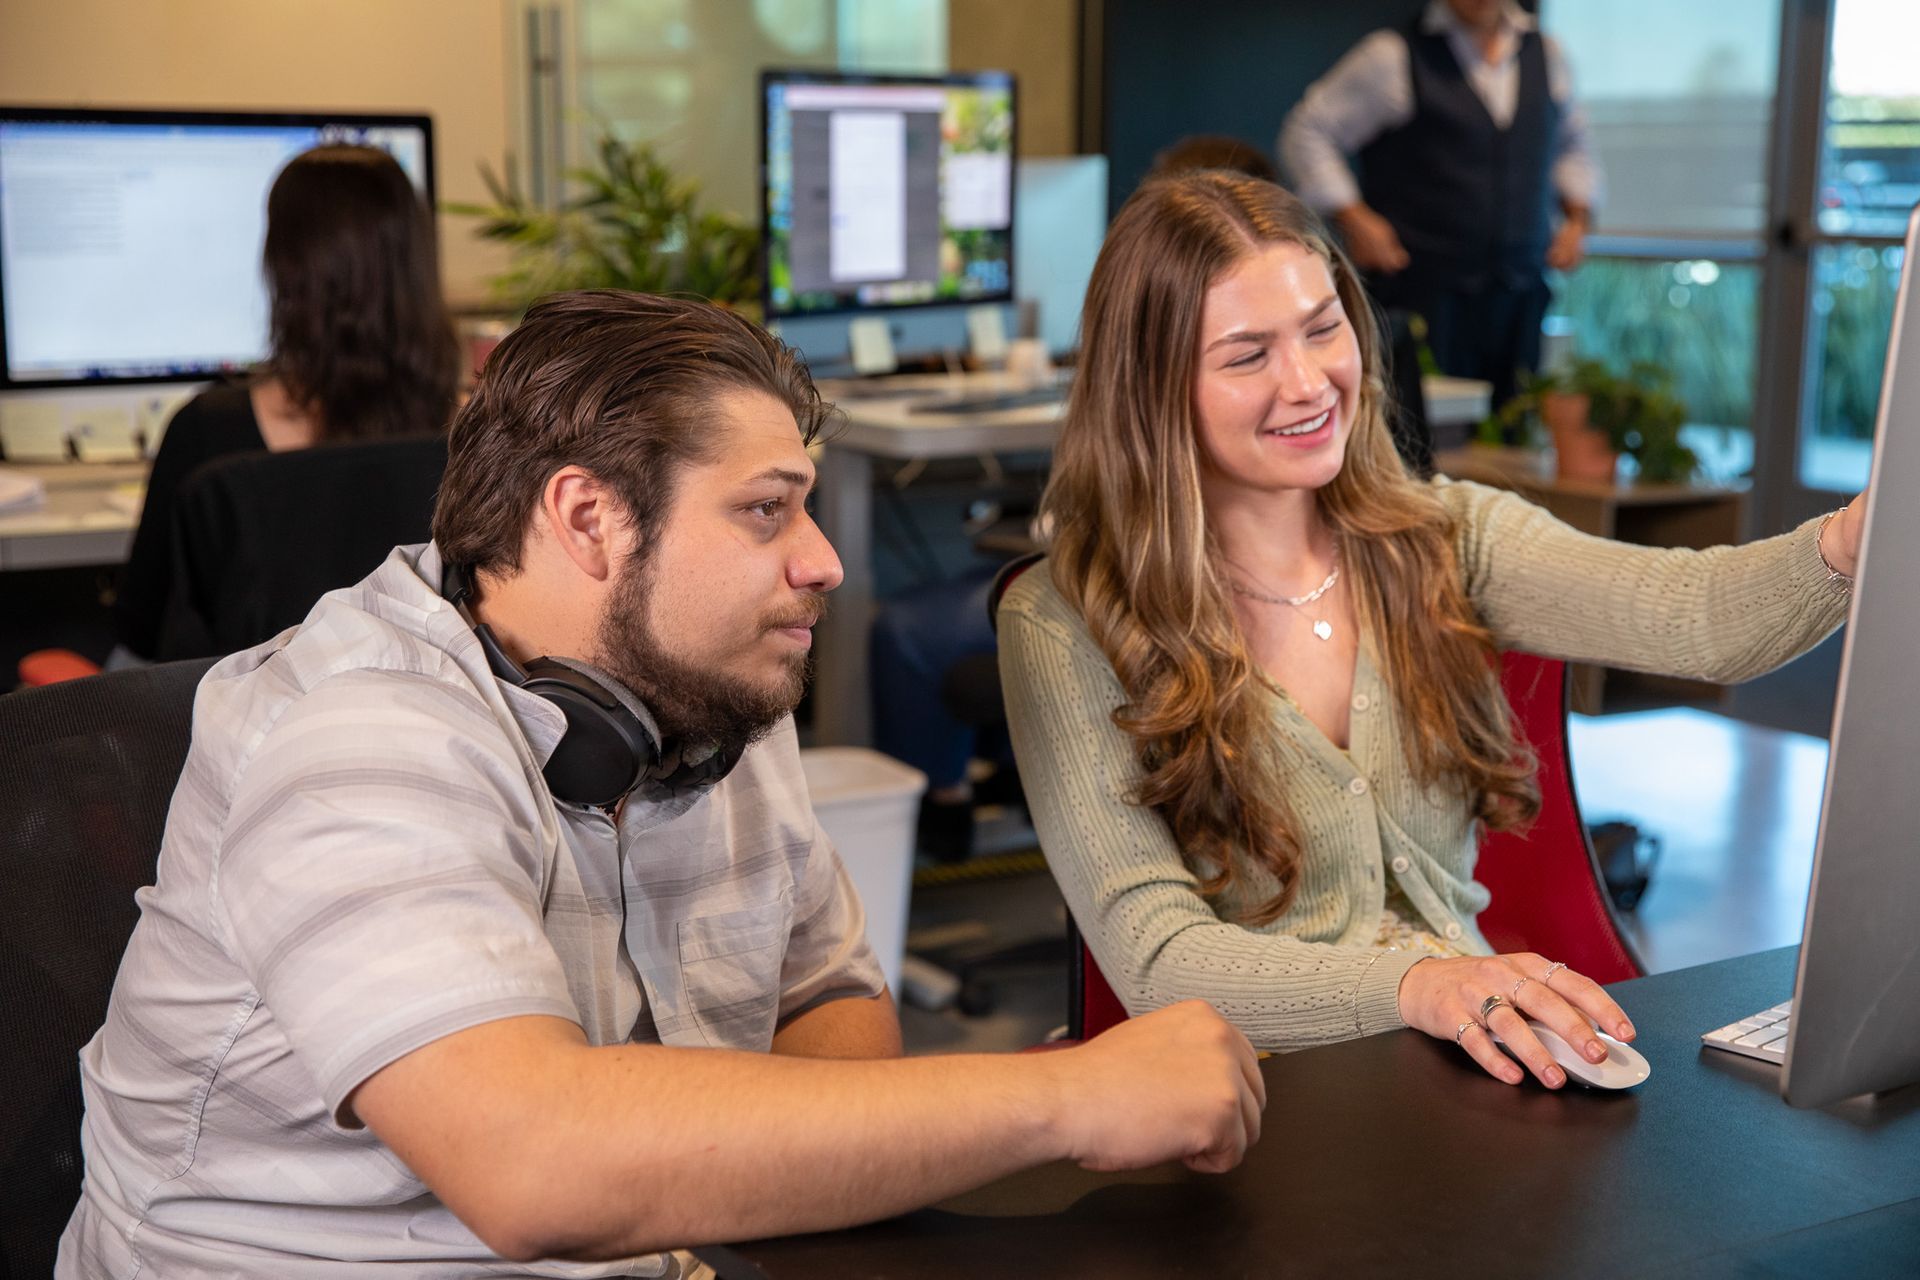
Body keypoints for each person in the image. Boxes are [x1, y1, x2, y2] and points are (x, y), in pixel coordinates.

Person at [59, 290, 1264, 1278]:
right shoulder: (356, 739)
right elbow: (533, 1166)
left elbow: (830, 1009)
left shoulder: (712, 685)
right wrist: (1059, 1097)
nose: (826, 559)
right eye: (764, 512)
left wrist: (784, 1143)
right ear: (588, 517)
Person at [997, 171, 1863, 1092]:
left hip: (1470, 1069)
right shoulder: (1064, 621)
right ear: (1153, 389)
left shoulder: (1447, 536)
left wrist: (1859, 535)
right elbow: (1159, 959)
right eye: (1247, 355)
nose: (1308, 381)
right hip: (1249, 1106)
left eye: (1323, 328)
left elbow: (1701, 621)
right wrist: (1421, 985)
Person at [110, 143, 461, 662]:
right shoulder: (479, 433)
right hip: (423, 728)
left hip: (251, 732)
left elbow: (142, 627)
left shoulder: (207, 433)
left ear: (283, 268)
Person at [1278, 0, 1600, 409]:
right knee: (1423, 437)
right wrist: (1353, 216)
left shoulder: (1548, 54)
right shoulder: (1391, 55)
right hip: (1424, 293)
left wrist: (1577, 218)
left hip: (1520, 292)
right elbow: (1308, 130)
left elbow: (1573, 145)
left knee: (1512, 429)